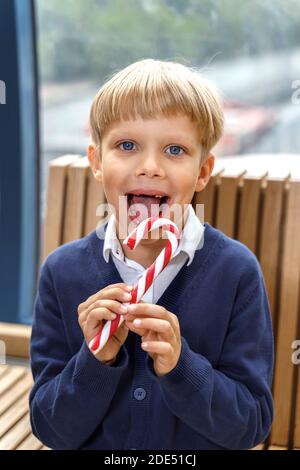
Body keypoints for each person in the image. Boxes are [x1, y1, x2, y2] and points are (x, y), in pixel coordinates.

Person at [29, 59, 274, 450]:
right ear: (96, 161)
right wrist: (95, 362)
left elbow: (250, 426)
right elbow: (51, 428)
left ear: (203, 171)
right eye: (127, 145)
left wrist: (181, 367)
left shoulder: (236, 272)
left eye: (175, 149)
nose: (149, 167)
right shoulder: (62, 273)